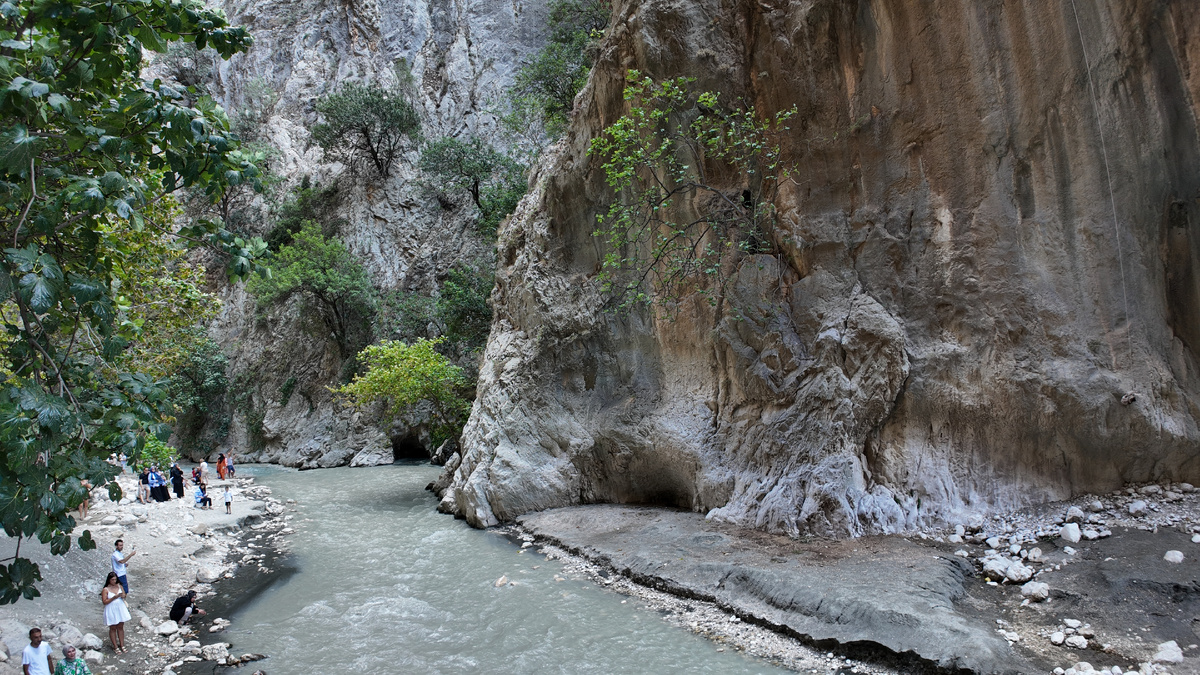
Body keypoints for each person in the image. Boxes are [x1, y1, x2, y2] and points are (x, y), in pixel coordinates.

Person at [100, 572, 130, 654]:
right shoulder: (105, 589)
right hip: (111, 609)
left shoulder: (119, 586)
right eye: (112, 580)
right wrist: (114, 597)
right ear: (109, 580)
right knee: (113, 628)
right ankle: (115, 646)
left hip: (120, 608)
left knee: (120, 627)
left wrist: (123, 595)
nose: (114, 581)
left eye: (115, 579)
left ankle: (122, 645)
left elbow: (124, 595)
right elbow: (104, 601)